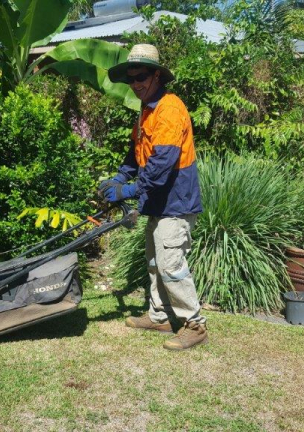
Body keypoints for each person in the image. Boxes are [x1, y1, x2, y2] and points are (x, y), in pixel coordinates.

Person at [100, 44, 207, 350]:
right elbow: (137, 153)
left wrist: (130, 190)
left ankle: (195, 324)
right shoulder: (147, 110)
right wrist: (120, 176)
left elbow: (162, 164)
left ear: (156, 75)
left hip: (177, 202)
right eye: (130, 78)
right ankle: (159, 316)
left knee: (171, 263)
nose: (135, 83)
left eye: (141, 76)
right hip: (160, 202)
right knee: (154, 262)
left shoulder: (170, 109)